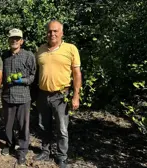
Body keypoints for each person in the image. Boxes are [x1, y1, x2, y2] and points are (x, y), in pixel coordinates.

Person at [34, 20, 82, 168]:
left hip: (61, 95)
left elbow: (77, 74)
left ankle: (62, 156)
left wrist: (76, 96)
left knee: (61, 128)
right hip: (43, 94)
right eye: (49, 31)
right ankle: (45, 151)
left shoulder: (70, 48)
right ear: (46, 33)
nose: (52, 34)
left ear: (62, 33)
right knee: (43, 125)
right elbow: (36, 73)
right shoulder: (40, 50)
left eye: (55, 31)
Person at [0, 28, 36, 166]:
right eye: (12, 38)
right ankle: (9, 144)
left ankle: (22, 151)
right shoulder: (4, 56)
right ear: (8, 40)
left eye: (17, 38)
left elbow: (33, 76)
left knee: (23, 125)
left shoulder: (28, 55)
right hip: (8, 96)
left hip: (23, 97)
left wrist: (23, 81)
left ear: (21, 41)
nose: (14, 40)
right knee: (8, 124)